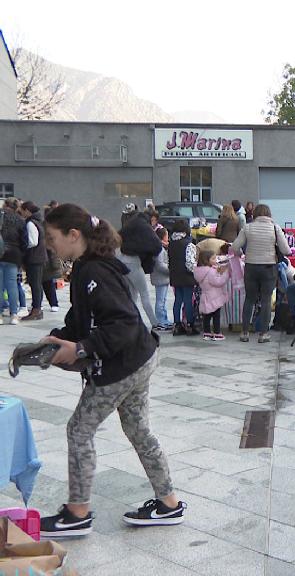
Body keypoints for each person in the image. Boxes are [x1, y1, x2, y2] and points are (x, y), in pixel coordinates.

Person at [39, 203, 187, 538]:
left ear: (73, 235)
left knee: (79, 430)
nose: (49, 245)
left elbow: (121, 323)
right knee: (138, 430)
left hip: (122, 365)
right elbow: (82, 319)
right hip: (140, 358)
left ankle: (77, 512)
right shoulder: (87, 268)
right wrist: (58, 340)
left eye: (52, 237)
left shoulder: (93, 271)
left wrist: (79, 349)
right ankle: (169, 503)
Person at [232, 203, 290, 344]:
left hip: (251, 266)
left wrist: (241, 253)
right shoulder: (275, 228)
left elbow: (235, 247)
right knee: (265, 300)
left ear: (256, 214)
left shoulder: (248, 227)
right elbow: (286, 250)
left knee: (250, 299)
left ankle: (244, 332)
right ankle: (263, 333)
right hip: (268, 267)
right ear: (269, 214)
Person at [168, 220, 199, 336]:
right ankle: (190, 324)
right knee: (188, 300)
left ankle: (177, 324)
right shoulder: (189, 244)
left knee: (178, 300)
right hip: (187, 276)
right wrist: (197, 272)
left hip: (175, 275)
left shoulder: (171, 243)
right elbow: (190, 263)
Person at [18, 202, 48, 321]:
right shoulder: (39, 221)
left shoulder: (31, 223)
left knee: (35, 284)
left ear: (27, 211)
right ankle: (37, 309)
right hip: (40, 256)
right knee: (37, 284)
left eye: (23, 211)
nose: (22, 214)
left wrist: (24, 248)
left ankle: (36, 309)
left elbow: (32, 242)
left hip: (34, 257)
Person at [0, 198, 27, 325]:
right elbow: (25, 242)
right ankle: (14, 314)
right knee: (12, 285)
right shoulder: (21, 221)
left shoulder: (1, 217)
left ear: (5, 205)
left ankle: (0, 315)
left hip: (1, 254)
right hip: (14, 255)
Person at [193, 249, 229, 341]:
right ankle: (217, 333)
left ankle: (207, 333)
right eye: (213, 258)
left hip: (206, 296)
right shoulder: (210, 272)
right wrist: (225, 274)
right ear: (206, 260)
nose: (215, 260)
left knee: (207, 316)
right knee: (216, 316)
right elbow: (218, 282)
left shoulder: (199, 271)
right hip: (214, 296)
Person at [150, 227, 173, 331]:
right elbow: (160, 265)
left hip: (160, 277)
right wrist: (170, 270)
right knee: (160, 300)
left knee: (162, 300)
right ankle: (160, 321)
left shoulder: (159, 247)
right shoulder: (160, 249)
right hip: (161, 277)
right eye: (167, 235)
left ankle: (163, 319)